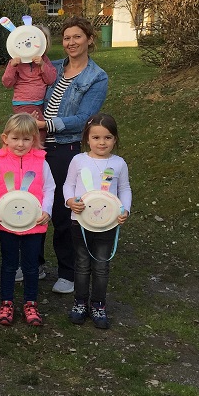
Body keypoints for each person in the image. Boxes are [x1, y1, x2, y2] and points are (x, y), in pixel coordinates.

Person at [37, 17, 109, 295]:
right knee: (35, 204)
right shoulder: (52, 68)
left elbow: (85, 119)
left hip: (64, 149)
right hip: (37, 147)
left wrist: (47, 125)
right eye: (66, 38)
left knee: (62, 210)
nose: (71, 43)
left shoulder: (96, 77)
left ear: (89, 39)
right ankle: (36, 263)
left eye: (77, 37)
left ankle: (67, 271)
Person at [0, 114, 55, 327]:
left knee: (31, 266)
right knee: (8, 265)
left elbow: (49, 188)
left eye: (26, 139)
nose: (21, 144)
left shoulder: (41, 162)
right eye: (15, 138)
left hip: (34, 224)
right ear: (5, 138)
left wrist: (47, 211)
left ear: (34, 139)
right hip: (6, 224)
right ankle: (6, 302)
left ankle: (30, 303)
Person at [64, 114, 131, 329]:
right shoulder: (79, 160)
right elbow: (69, 185)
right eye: (96, 137)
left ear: (116, 139)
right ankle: (80, 302)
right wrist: (70, 201)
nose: (102, 142)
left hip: (108, 223)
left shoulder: (119, 163)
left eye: (108, 137)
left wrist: (125, 210)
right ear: (87, 138)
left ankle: (99, 304)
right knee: (82, 264)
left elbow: (124, 189)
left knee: (102, 265)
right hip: (80, 221)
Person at [1, 25, 57, 144]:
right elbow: (7, 83)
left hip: (39, 103)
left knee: (28, 131)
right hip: (23, 103)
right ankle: (35, 153)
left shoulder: (44, 60)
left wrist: (42, 65)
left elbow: (51, 79)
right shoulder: (16, 61)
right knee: (38, 130)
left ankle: (27, 153)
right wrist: (12, 66)